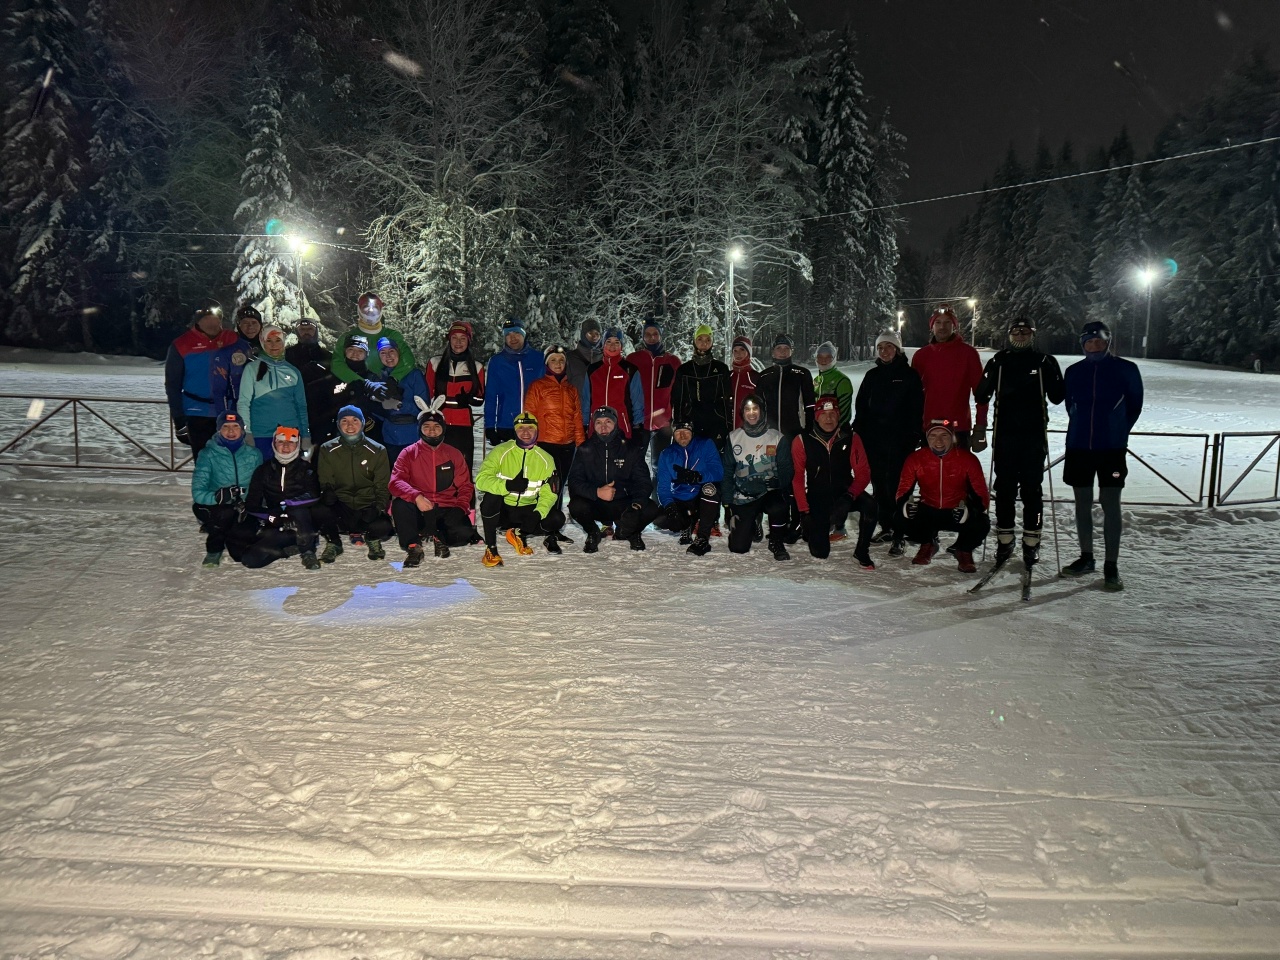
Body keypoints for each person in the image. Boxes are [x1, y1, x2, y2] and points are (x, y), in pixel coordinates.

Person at [973, 317, 1065, 569]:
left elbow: (1058, 396)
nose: (1020, 335)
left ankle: (1032, 541)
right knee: (1004, 490)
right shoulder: (1000, 360)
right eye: (1016, 331)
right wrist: (991, 372)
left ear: (1033, 334)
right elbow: (981, 394)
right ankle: (1005, 539)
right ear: (1009, 335)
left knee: (1032, 490)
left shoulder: (1044, 361)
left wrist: (1052, 372)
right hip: (1005, 436)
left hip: (1033, 437)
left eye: (1025, 331)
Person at [1060, 320, 1143, 591]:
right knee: (1082, 503)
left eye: (1099, 341)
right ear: (1082, 344)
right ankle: (1087, 557)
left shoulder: (1126, 369)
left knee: (1110, 503)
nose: (1094, 346)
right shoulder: (1074, 371)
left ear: (1108, 342)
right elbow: (1070, 405)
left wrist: (1118, 430)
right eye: (1089, 341)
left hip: (1111, 448)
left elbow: (1134, 406)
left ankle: (1111, 565)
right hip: (1079, 446)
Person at [854, 330, 924, 555]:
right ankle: (886, 527)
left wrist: (913, 435)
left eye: (889, 347)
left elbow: (916, 408)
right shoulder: (872, 375)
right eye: (880, 347)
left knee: (898, 487)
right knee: (880, 486)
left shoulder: (909, 375)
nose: (884, 351)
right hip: (874, 441)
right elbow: (861, 407)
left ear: (897, 349)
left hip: (900, 442)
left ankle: (900, 533)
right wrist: (859, 432)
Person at [790, 395, 877, 567]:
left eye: (832, 414)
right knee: (820, 552)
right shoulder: (802, 440)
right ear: (816, 417)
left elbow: (863, 473)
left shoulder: (851, 437)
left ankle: (862, 551)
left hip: (845, 492)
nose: (828, 419)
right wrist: (804, 512)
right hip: (818, 496)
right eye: (823, 414)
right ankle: (816, 528)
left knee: (871, 505)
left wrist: (849, 497)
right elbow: (797, 478)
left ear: (839, 416)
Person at [895, 419, 991, 573]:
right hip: (929, 508)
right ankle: (928, 544)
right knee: (900, 517)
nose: (938, 441)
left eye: (944, 436)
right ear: (927, 438)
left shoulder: (967, 459)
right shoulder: (916, 458)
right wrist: (904, 505)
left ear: (952, 437)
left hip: (957, 510)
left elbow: (982, 495)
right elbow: (903, 489)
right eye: (933, 436)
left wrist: (970, 509)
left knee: (981, 522)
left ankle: (964, 550)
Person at [389, 402, 477, 565]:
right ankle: (414, 546)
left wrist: (460, 507)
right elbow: (396, 481)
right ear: (420, 429)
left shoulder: (454, 454)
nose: (431, 431)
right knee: (400, 505)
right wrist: (416, 497)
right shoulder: (408, 453)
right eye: (426, 427)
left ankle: (439, 537)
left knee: (462, 534)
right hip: (420, 508)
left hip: (444, 507)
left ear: (443, 429)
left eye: (436, 426)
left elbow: (465, 485)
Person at [474, 411, 566, 566]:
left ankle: (520, 534)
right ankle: (491, 548)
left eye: (530, 428)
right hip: (504, 510)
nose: (525, 432)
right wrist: (507, 485)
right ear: (515, 431)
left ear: (536, 431)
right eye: (521, 428)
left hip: (527, 511)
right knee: (491, 497)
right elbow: (481, 480)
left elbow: (550, 493)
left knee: (556, 518)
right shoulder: (500, 451)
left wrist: (538, 513)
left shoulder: (546, 459)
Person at [566, 406, 662, 552]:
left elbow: (643, 482)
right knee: (576, 506)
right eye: (598, 422)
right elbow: (574, 481)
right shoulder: (585, 449)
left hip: (624, 504)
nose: (603, 426)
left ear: (615, 423)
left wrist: (635, 506)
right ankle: (593, 532)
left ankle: (630, 531)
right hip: (596, 502)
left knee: (650, 508)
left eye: (608, 422)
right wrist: (597, 492)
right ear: (593, 426)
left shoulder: (630, 448)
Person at [241, 425, 334, 570]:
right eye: (281, 441)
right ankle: (288, 550)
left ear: (297, 445)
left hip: (302, 524)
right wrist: (272, 516)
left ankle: (308, 552)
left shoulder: (306, 469)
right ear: (274, 443)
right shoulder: (263, 470)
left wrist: (287, 506)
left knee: (300, 512)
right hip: (277, 525)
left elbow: (314, 495)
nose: (285, 446)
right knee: (250, 560)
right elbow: (251, 504)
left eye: (291, 442)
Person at [314, 405, 394, 562]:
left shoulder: (378, 450)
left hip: (367, 506)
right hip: (342, 507)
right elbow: (325, 481)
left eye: (355, 420)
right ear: (338, 424)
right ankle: (334, 542)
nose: (350, 425)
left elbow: (382, 486)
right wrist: (327, 493)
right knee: (318, 510)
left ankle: (372, 538)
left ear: (362, 423)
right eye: (344, 421)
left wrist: (377, 508)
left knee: (383, 527)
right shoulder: (327, 449)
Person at [722, 394, 792, 560]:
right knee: (738, 548)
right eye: (747, 409)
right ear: (742, 413)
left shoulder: (776, 437)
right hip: (744, 495)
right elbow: (727, 471)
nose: (751, 413)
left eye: (755, 409)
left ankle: (776, 540)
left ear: (762, 411)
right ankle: (753, 521)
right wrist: (727, 503)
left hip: (769, 492)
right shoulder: (734, 437)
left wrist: (779, 481)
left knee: (778, 505)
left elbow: (787, 469)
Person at [164, 299, 238, 455]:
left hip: (228, 412)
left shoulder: (232, 339)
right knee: (204, 462)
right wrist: (179, 420)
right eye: (206, 319)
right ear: (198, 321)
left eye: (215, 319)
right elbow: (173, 385)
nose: (212, 323)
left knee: (229, 462)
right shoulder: (181, 344)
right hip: (196, 413)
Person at [190, 411, 262, 567]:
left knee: (240, 554)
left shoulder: (254, 454)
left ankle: (231, 533)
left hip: (241, 507)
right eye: (225, 427)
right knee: (225, 514)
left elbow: (259, 486)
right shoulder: (207, 454)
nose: (231, 431)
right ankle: (214, 549)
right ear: (218, 430)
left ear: (242, 430)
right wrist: (217, 497)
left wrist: (248, 502)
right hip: (215, 506)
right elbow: (197, 492)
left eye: (235, 426)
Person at [523, 343, 585, 522]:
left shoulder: (571, 389)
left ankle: (554, 522)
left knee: (560, 484)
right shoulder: (538, 386)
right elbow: (529, 416)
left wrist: (581, 443)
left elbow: (577, 417)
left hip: (567, 446)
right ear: (547, 364)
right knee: (548, 486)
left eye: (561, 360)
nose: (558, 364)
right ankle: (542, 520)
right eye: (553, 360)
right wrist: (529, 443)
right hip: (545, 444)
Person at [911, 304, 986, 449]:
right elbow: (912, 396)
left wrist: (980, 427)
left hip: (958, 428)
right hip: (928, 428)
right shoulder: (921, 356)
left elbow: (981, 394)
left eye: (947, 322)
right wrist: (912, 426)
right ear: (932, 327)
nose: (942, 327)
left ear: (954, 326)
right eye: (938, 322)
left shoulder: (968, 354)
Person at [239, 324, 311, 459]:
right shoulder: (252, 369)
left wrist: (306, 434)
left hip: (289, 435)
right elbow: (244, 403)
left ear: (283, 342)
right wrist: (247, 432)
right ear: (262, 342)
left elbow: (301, 406)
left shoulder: (293, 371)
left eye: (278, 340)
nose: (274, 345)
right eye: (269, 341)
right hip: (261, 435)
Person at [654, 420, 724, 555]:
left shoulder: (705, 445)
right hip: (681, 497)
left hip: (701, 497)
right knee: (660, 518)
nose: (682, 436)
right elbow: (663, 486)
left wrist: (698, 477)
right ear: (673, 435)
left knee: (710, 489)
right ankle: (687, 523)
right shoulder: (667, 454)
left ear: (692, 433)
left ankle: (702, 538)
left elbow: (718, 472)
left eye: (686, 432)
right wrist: (669, 504)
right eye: (678, 432)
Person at [425, 319, 486, 472]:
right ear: (449, 339)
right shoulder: (435, 363)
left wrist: (469, 399)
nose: (458, 342)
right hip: (440, 422)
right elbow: (426, 394)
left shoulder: (476, 367)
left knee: (462, 466)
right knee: (439, 465)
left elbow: (480, 398)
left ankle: (465, 489)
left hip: (463, 424)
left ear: (468, 341)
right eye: (454, 338)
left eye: (463, 338)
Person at [368, 337, 430, 466]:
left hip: (412, 435)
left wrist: (400, 405)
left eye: (391, 351)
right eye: (383, 353)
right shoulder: (378, 377)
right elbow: (377, 412)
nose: (388, 356)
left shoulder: (414, 374)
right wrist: (378, 405)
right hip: (389, 436)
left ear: (398, 352)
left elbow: (424, 407)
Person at [626, 319, 682, 463]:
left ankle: (658, 479)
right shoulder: (633, 359)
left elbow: (678, 394)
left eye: (655, 334)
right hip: (639, 423)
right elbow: (625, 391)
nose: (651, 337)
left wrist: (677, 419)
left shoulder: (672, 361)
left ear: (660, 336)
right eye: (647, 334)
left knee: (660, 464)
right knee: (635, 463)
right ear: (643, 337)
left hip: (663, 425)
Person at [671, 324, 733, 450]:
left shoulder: (721, 369)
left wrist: (728, 425)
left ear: (712, 343)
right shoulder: (684, 370)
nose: (704, 343)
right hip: (691, 422)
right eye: (700, 339)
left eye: (707, 340)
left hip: (716, 422)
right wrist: (679, 424)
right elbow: (678, 400)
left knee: (715, 456)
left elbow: (727, 399)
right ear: (694, 341)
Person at [331, 293, 416, 383]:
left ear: (381, 310)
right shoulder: (347, 337)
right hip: (357, 389)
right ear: (359, 309)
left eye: (375, 307)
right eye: (366, 307)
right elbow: (337, 364)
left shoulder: (392, 335)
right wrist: (364, 384)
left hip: (391, 388)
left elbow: (408, 359)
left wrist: (393, 379)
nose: (371, 311)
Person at [484, 320, 543, 449]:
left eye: (516, 333)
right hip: (507, 425)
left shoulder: (539, 358)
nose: (513, 338)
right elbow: (491, 396)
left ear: (524, 334)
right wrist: (489, 426)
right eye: (508, 335)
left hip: (534, 425)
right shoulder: (497, 362)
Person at [286, 316, 342, 446]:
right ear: (297, 332)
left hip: (322, 416)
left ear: (316, 331)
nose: (306, 332)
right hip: (294, 415)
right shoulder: (288, 355)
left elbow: (337, 386)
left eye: (310, 329)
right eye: (302, 329)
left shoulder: (328, 357)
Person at [584, 327, 644, 441]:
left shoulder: (630, 370)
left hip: (622, 426)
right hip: (597, 426)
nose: (613, 346)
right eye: (609, 342)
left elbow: (637, 401)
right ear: (603, 344)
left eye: (617, 342)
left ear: (621, 345)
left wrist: (638, 425)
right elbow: (586, 399)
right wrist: (584, 424)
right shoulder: (592, 370)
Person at [756, 332, 815, 437]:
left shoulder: (802, 374)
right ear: (773, 352)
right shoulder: (764, 376)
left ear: (791, 351)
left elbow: (810, 405)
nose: (782, 351)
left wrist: (808, 430)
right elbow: (759, 406)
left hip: (797, 432)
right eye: (779, 348)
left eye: (786, 348)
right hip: (769, 433)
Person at [812, 341, 853, 425]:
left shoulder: (842, 380)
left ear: (834, 358)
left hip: (836, 429)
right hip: (820, 428)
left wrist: (839, 428)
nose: (823, 360)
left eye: (828, 357)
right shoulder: (817, 380)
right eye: (820, 357)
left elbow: (844, 411)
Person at [565, 318, 602, 408]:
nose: (594, 336)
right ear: (583, 334)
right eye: (590, 333)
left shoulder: (605, 359)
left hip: (600, 413)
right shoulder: (570, 358)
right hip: (576, 411)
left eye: (597, 333)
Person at [729, 335, 759, 430]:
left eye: (742, 350)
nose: (738, 353)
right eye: (735, 350)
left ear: (748, 352)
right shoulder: (728, 376)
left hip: (748, 430)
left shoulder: (756, 377)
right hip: (728, 430)